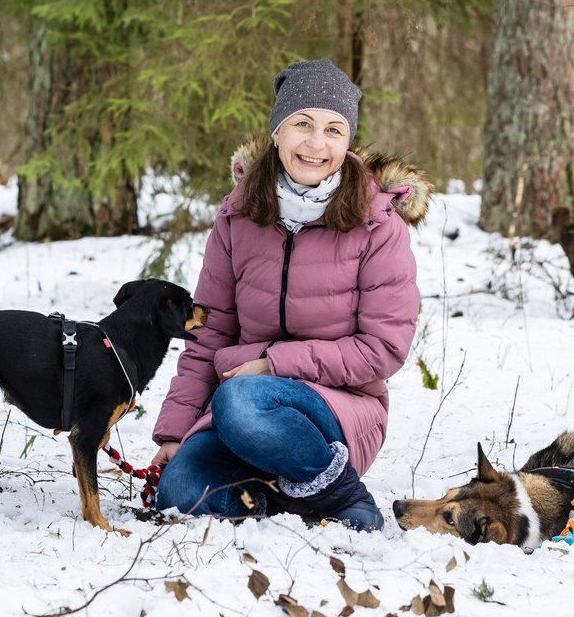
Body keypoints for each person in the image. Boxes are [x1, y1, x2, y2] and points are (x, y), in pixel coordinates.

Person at [150, 59, 430, 531]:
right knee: (178, 494)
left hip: (337, 413)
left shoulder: (377, 223)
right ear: (277, 132)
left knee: (240, 400)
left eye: (333, 130)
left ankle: (342, 494)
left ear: (347, 141)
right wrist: (175, 431)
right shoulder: (237, 217)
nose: (316, 143)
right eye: (302, 124)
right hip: (243, 412)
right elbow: (210, 332)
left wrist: (274, 365)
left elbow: (383, 349)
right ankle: (283, 499)